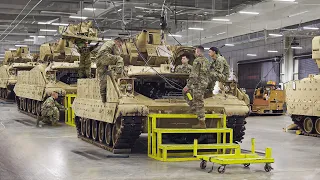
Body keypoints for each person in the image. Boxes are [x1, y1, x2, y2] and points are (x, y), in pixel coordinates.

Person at [183, 46, 210, 129]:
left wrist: (188, 85)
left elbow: (194, 75)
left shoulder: (197, 61)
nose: (195, 53)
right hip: (204, 84)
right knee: (197, 99)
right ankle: (194, 108)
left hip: (198, 84)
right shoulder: (206, 61)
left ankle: (202, 122)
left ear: (198, 52)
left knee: (198, 101)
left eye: (195, 52)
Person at [96, 37, 124, 103]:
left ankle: (103, 99)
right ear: (117, 41)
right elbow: (117, 54)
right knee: (120, 59)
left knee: (103, 79)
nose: (119, 46)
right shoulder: (113, 43)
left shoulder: (107, 43)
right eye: (120, 45)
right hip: (104, 56)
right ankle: (118, 76)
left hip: (98, 60)